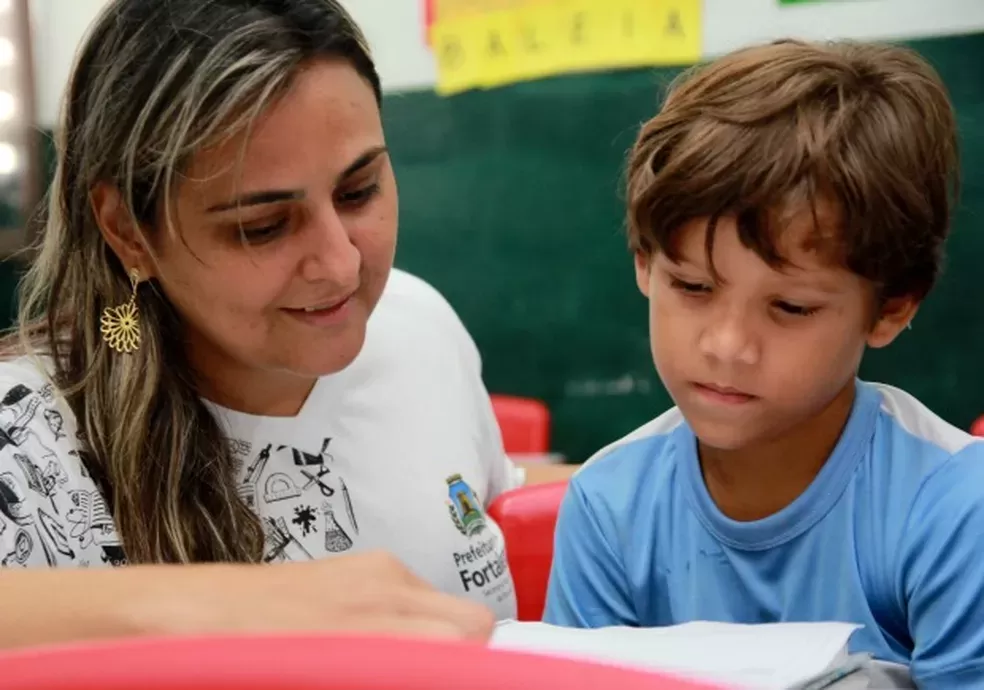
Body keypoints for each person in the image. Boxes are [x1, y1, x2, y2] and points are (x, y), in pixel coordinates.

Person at [0, 0, 569, 649]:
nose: (341, 264)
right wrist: (218, 606)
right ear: (128, 231)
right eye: (261, 227)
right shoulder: (24, 439)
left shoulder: (417, 326)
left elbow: (491, 496)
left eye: (359, 192)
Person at [543, 39, 984, 688]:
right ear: (644, 261)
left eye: (790, 307)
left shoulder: (952, 511)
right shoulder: (609, 510)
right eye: (693, 287)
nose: (727, 345)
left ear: (890, 307)